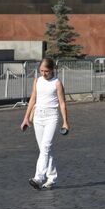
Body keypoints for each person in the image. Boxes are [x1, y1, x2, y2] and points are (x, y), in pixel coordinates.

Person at [20, 58, 70, 189]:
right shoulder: (37, 81)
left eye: (46, 71)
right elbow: (32, 99)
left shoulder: (57, 83)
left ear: (52, 69)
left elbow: (62, 103)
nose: (43, 73)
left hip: (51, 117)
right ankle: (52, 178)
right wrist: (26, 118)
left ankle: (39, 177)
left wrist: (65, 122)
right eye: (41, 70)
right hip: (38, 117)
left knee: (46, 147)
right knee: (44, 149)